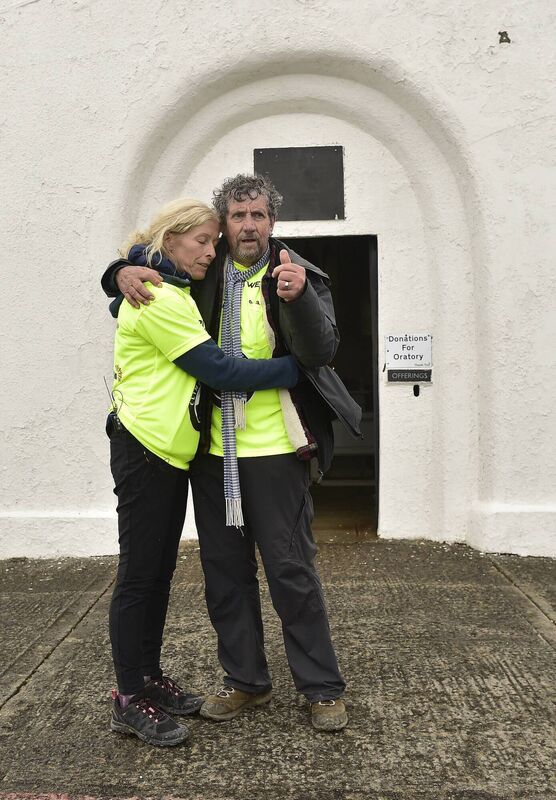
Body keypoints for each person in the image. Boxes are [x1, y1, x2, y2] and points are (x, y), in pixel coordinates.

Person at [101, 175, 362, 732]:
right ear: (224, 225)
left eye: (258, 216)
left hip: (276, 449)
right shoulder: (202, 272)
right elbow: (145, 292)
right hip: (211, 450)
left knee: (291, 571)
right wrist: (120, 270)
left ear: (273, 221)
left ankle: (320, 689)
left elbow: (322, 350)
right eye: (237, 217)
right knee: (224, 574)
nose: (248, 226)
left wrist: (299, 300)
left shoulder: (295, 272)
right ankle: (246, 681)